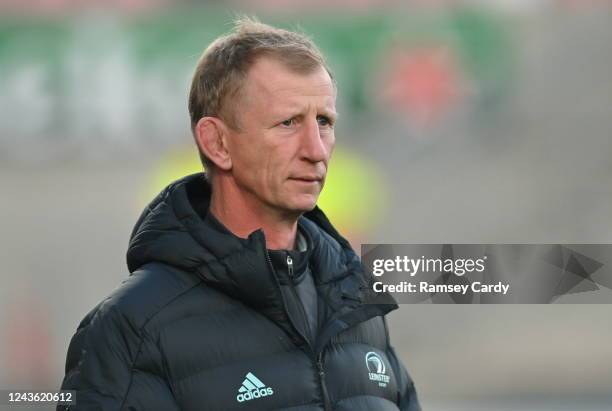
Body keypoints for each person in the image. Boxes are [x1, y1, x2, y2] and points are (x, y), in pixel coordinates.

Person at [58, 17, 420, 411]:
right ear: (217, 143)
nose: (316, 150)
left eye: (324, 122)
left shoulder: (358, 311)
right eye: (288, 122)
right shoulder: (131, 329)